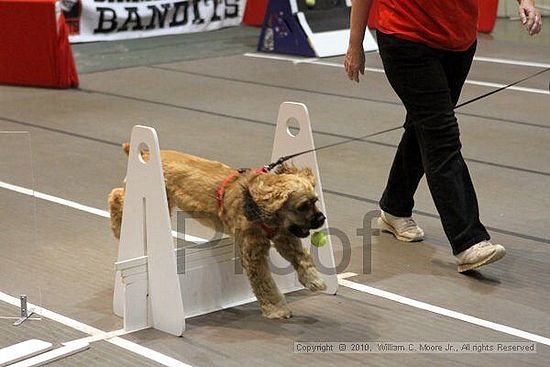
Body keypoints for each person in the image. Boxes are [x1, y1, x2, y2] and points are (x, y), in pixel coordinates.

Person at [345, 0, 542, 272]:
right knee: (442, 135)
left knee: (423, 128)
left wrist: (526, 2)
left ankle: (394, 208)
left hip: (458, 43)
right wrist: (355, 43)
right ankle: (469, 240)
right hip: (406, 39)